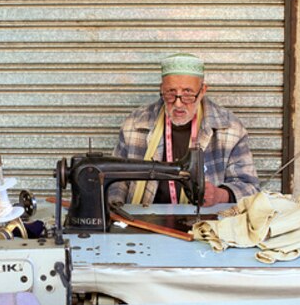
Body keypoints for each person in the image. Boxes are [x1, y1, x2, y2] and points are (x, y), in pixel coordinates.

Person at [108, 53, 260, 207]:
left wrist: (219, 195)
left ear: (202, 91)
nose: (178, 104)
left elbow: (250, 188)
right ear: (161, 89)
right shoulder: (135, 125)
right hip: (144, 220)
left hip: (208, 226)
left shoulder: (230, 128)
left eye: (188, 93)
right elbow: (116, 180)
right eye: (170, 93)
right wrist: (116, 208)